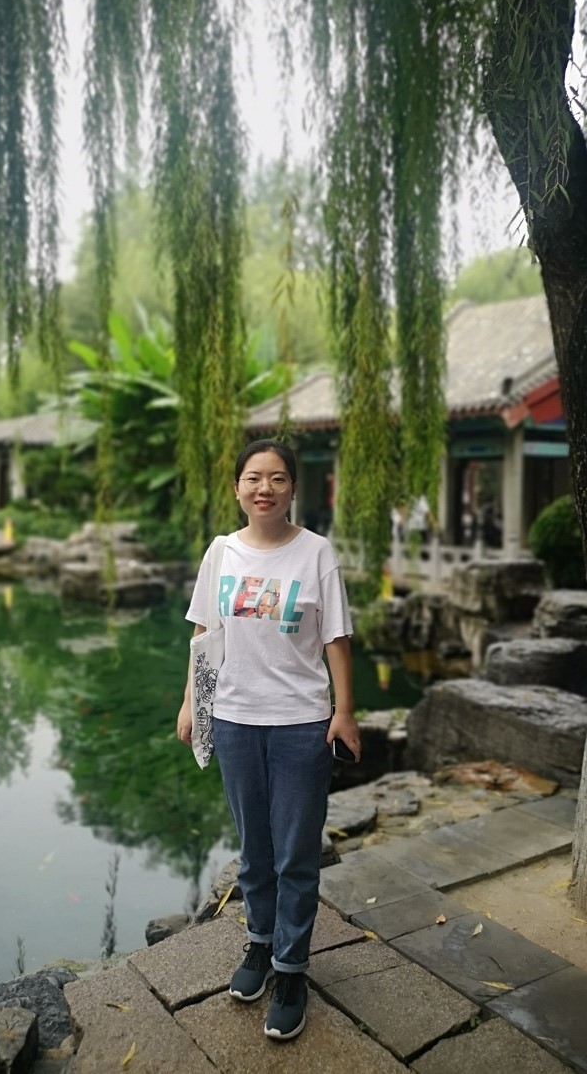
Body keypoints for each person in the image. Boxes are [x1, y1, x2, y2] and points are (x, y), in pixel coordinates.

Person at [176, 438, 360, 1042]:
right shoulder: (221, 552)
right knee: (254, 850)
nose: (265, 488)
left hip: (301, 722)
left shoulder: (316, 553)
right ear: (237, 489)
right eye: (254, 478)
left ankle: (292, 970)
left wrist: (344, 712)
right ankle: (259, 944)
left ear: (292, 489)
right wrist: (192, 702)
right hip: (233, 719)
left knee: (296, 855)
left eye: (277, 478)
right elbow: (204, 634)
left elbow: (336, 638)